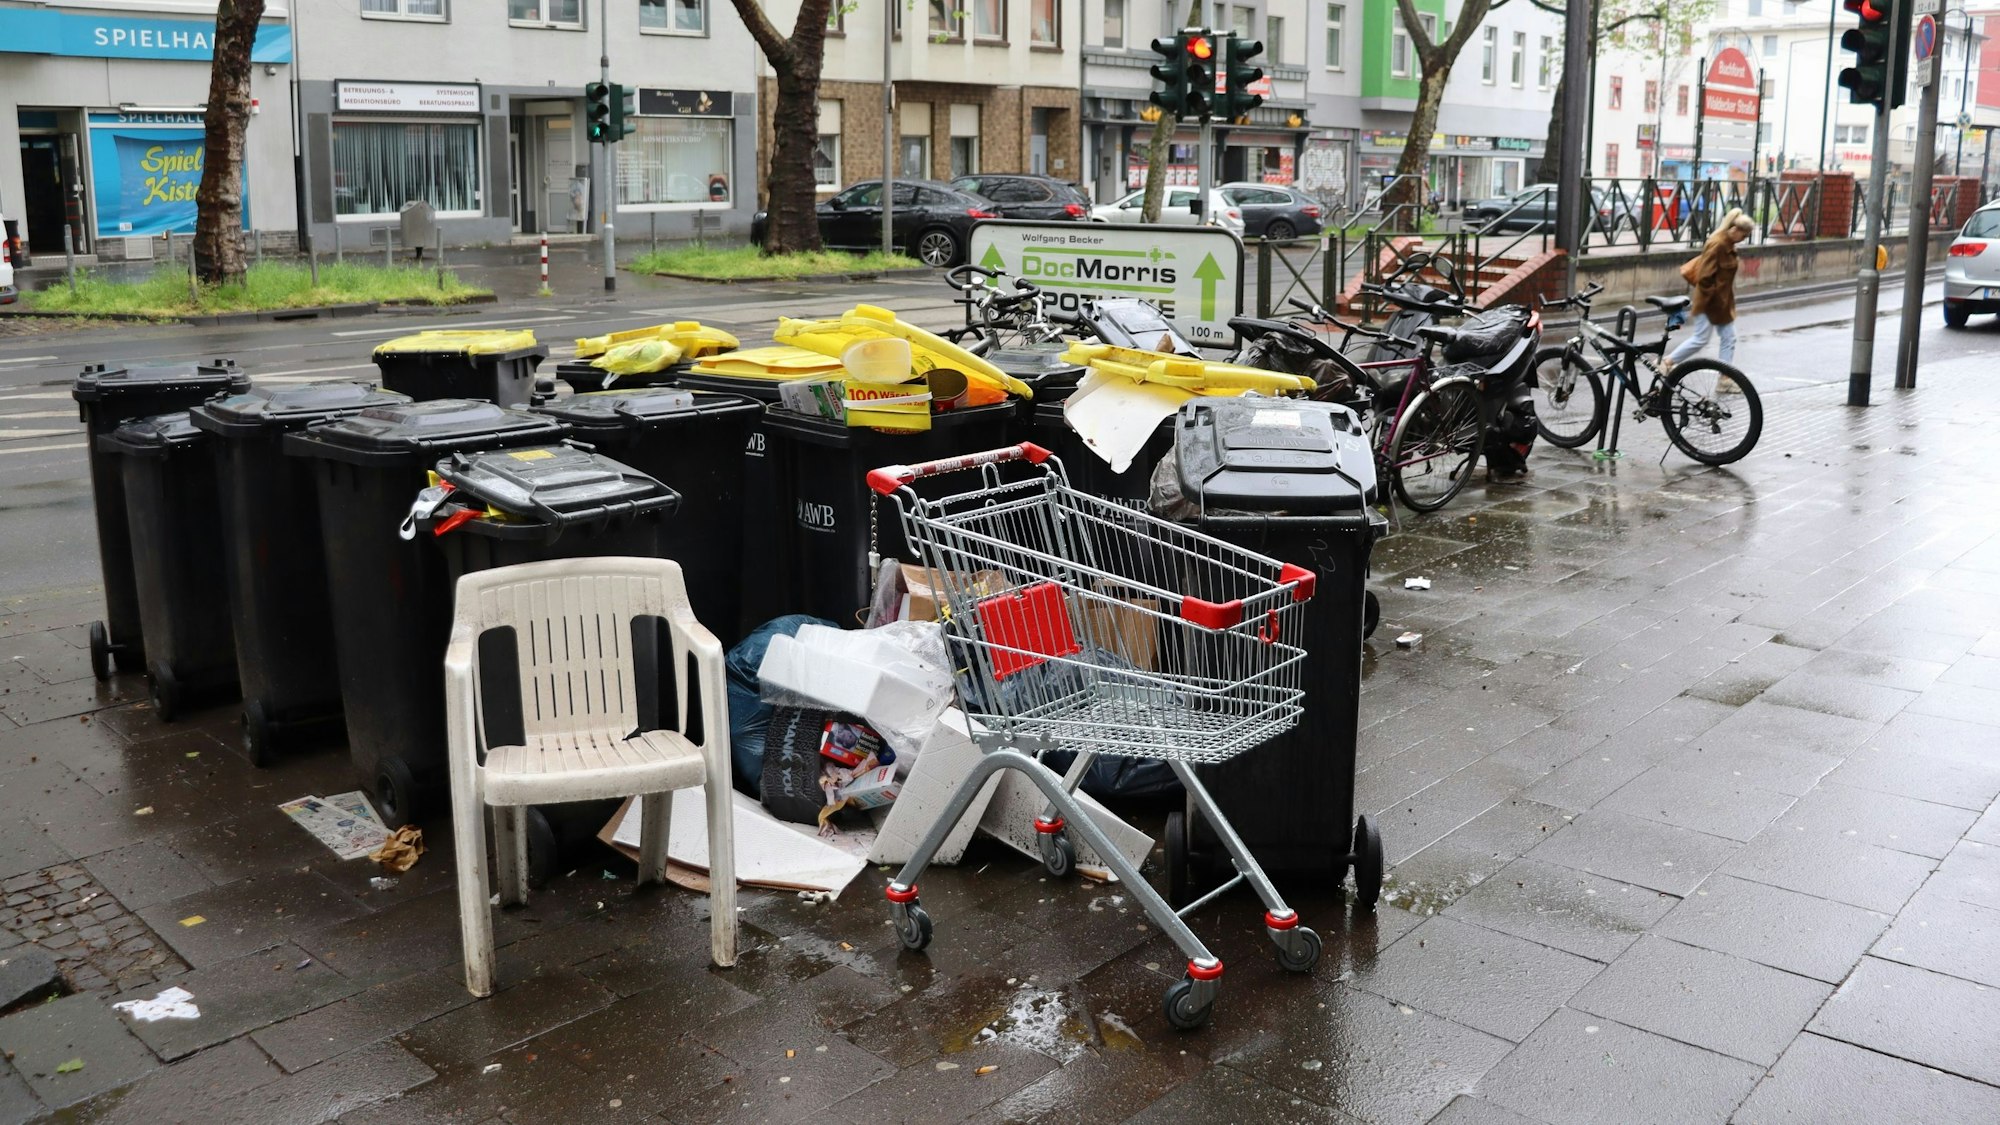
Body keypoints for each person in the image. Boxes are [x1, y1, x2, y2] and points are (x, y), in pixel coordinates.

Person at [1664, 207, 1755, 373]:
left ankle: (1725, 378)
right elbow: (1705, 277)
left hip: (1721, 303)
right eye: (1744, 235)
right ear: (1734, 230)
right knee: (1701, 339)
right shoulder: (1717, 244)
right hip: (1709, 302)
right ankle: (1667, 363)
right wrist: (1715, 299)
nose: (1744, 239)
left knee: (1729, 338)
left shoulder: (1729, 244)